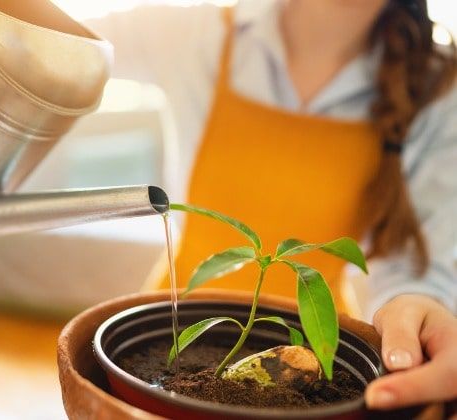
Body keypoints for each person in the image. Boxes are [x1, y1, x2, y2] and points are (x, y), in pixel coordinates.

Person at [84, 0, 457, 412]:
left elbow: (415, 268)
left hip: (316, 353)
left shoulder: (438, 87)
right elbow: (59, 39)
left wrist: (415, 313)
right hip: (169, 332)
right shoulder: (199, 31)